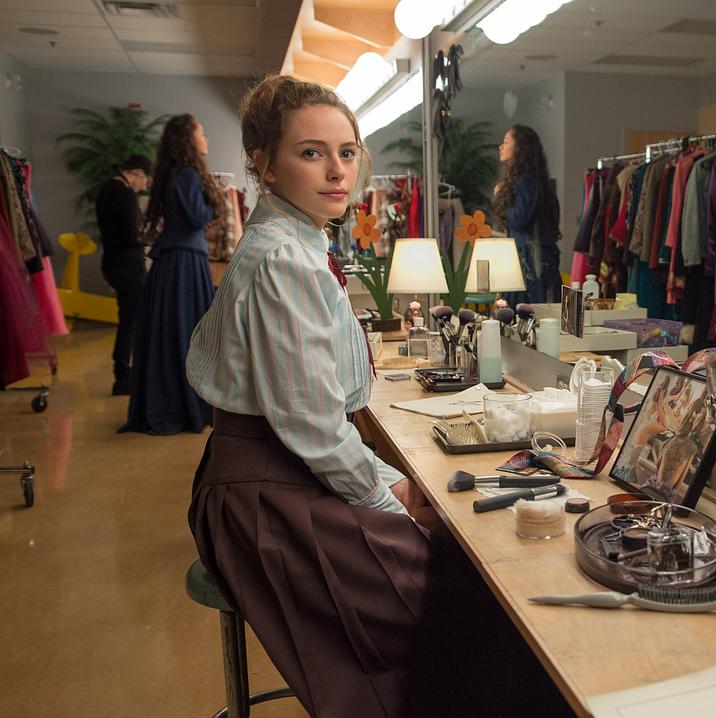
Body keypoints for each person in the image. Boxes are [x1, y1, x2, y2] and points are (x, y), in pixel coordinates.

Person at [186, 74, 572, 718]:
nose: (337, 171)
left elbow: (307, 418)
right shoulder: (286, 260)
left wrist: (385, 481)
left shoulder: (294, 241)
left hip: (271, 473)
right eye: (311, 153)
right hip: (269, 495)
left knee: (456, 571)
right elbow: (313, 429)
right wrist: (388, 498)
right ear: (265, 164)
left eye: (347, 151)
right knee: (464, 599)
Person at [121, 114, 225, 434]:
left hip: (175, 260)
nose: (206, 139)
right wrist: (214, 203)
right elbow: (196, 218)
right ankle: (184, 406)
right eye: (201, 133)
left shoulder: (175, 173)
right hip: (184, 263)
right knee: (187, 334)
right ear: (188, 139)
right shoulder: (188, 174)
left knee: (172, 333)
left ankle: (172, 403)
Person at [95, 153, 152, 396]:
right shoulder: (124, 193)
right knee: (131, 322)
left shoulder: (107, 190)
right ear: (136, 173)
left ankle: (123, 374)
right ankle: (123, 378)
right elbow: (133, 234)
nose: (144, 185)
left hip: (113, 262)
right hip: (127, 266)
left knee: (128, 320)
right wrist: (154, 237)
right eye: (145, 179)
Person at [493, 124, 561, 305]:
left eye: (506, 142)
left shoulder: (526, 180)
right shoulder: (533, 179)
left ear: (519, 148)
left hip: (529, 266)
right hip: (532, 263)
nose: (501, 146)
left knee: (523, 316)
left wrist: (500, 197)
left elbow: (520, 219)